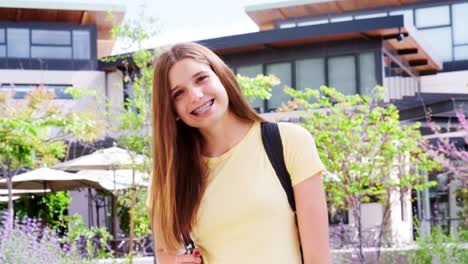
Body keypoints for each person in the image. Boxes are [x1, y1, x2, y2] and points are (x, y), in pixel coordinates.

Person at [148, 42, 332, 264]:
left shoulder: (289, 142)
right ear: (172, 110)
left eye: (201, 78)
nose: (195, 95)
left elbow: (318, 259)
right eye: (178, 93)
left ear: (221, 76)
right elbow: (164, 252)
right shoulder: (169, 173)